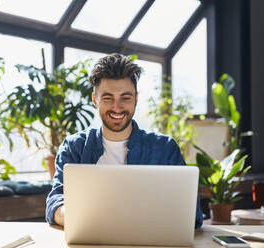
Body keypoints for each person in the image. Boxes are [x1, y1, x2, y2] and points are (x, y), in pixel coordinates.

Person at [45, 53, 203, 228]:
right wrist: (77, 217)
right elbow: (55, 202)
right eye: (107, 98)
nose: (116, 107)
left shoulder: (165, 148)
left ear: (136, 98)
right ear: (95, 99)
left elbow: (193, 214)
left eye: (125, 98)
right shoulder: (74, 147)